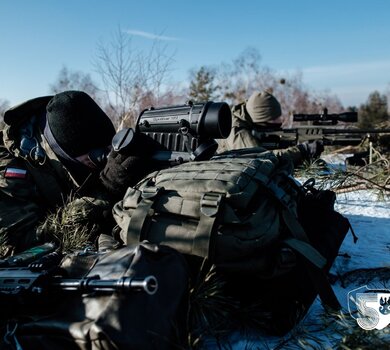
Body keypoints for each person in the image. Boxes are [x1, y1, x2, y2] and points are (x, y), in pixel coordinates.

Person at [0, 90, 157, 254]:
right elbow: (18, 246)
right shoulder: (8, 168)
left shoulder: (71, 159)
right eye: (93, 157)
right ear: (63, 154)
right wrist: (105, 191)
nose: (102, 159)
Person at [226, 90, 323, 167]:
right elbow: (259, 160)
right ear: (260, 120)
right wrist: (301, 150)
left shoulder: (250, 113)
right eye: (272, 121)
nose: (278, 123)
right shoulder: (236, 130)